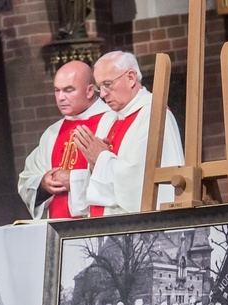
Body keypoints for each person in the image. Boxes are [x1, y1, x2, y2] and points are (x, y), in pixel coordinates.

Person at [71, 51, 184, 215]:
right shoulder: (108, 119)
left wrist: (101, 157)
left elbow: (139, 181)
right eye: (99, 87)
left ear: (131, 78)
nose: (102, 94)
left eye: (108, 84)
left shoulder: (153, 115)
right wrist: (94, 162)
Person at [18, 61, 113, 219]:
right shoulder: (52, 133)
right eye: (57, 90)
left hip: (97, 224)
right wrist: (43, 183)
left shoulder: (110, 122)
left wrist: (74, 180)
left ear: (90, 91)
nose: (61, 97)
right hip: (57, 229)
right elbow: (26, 179)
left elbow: (120, 176)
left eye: (68, 90)